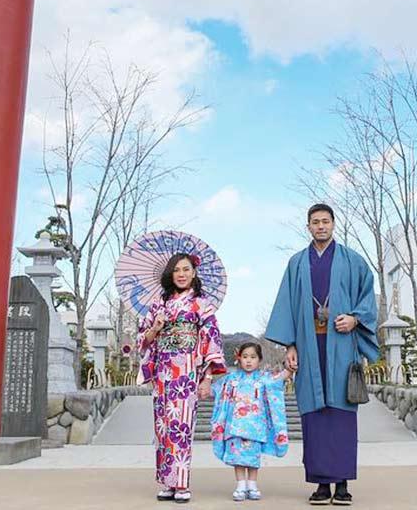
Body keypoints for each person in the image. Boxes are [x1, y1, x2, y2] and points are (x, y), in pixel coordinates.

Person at [265, 203, 379, 506]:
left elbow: (368, 298)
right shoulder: (296, 263)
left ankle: (342, 484)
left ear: (333, 224)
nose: (320, 227)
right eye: (315, 222)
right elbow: (286, 307)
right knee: (314, 416)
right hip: (308, 346)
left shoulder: (353, 261)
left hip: (341, 346)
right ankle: (320, 485)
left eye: (325, 221)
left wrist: (355, 318)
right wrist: (290, 346)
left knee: (341, 414)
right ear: (308, 226)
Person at [137, 252, 227, 503]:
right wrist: (156, 327)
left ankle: (181, 483)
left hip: (187, 370)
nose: (182, 274)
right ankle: (167, 482)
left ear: (194, 273)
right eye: (177, 270)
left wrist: (207, 377)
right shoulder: (158, 304)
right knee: (163, 426)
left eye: (186, 269)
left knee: (182, 426)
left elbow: (211, 340)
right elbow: (142, 340)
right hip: (163, 371)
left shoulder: (202, 304)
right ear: (170, 274)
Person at [210, 341, 292, 502]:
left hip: (255, 427)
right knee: (238, 458)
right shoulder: (231, 378)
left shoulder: (264, 378)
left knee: (253, 459)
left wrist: (290, 368)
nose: (248, 360)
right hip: (234, 427)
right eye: (245, 356)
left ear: (259, 360)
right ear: (238, 358)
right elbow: (213, 390)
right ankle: (241, 485)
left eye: (253, 357)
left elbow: (279, 378)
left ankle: (252, 485)